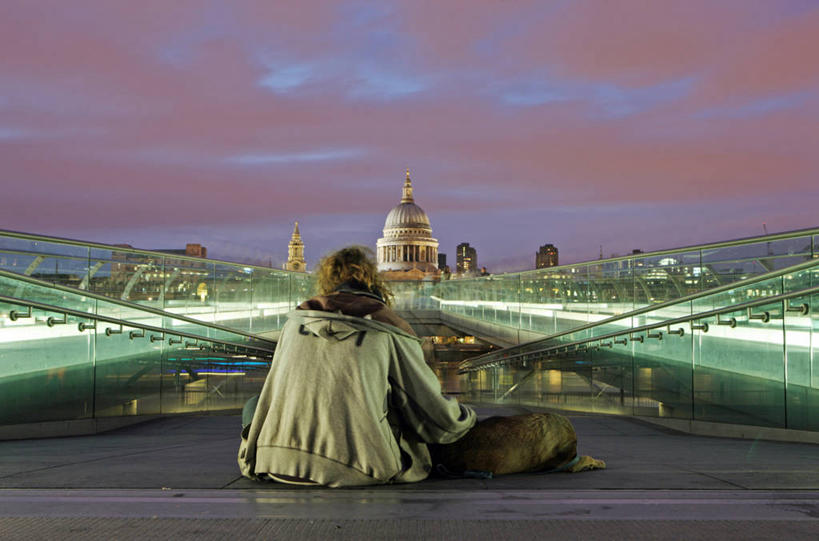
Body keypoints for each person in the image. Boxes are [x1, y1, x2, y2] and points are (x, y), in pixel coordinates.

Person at [238, 246, 476, 487]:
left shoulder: (293, 324)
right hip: (361, 468)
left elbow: (272, 394)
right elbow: (429, 408)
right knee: (400, 403)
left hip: (275, 463)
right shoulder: (390, 329)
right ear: (373, 282)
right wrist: (466, 418)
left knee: (254, 404)